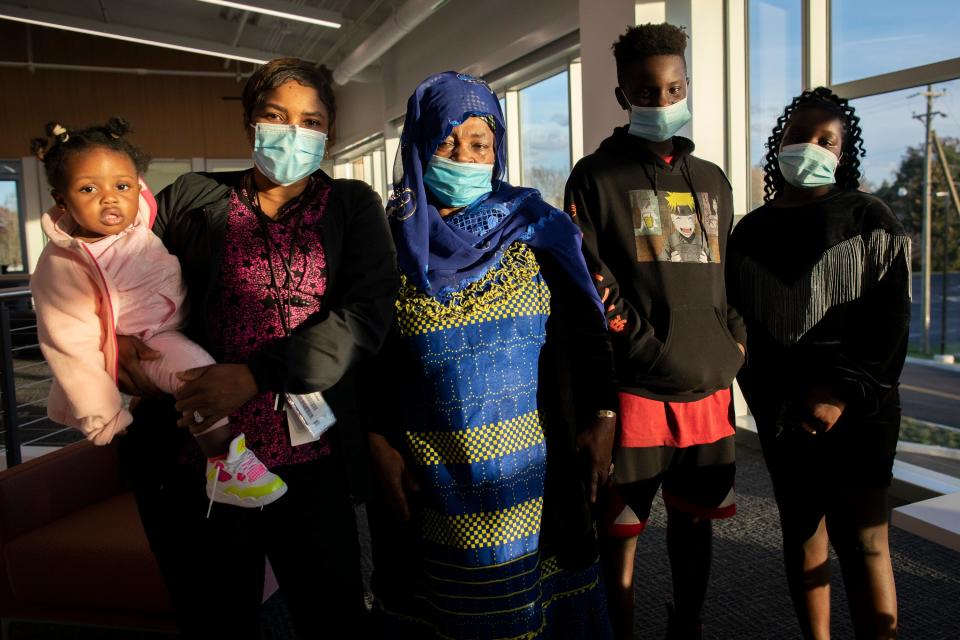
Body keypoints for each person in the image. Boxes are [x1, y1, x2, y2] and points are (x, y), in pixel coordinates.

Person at [115, 58, 398, 638]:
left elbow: (365, 317)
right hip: (202, 455)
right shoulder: (191, 199)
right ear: (250, 122)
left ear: (329, 133)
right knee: (216, 616)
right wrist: (114, 342)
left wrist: (254, 375)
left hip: (311, 457)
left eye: (310, 120)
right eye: (276, 116)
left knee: (335, 614)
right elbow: (123, 276)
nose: (292, 133)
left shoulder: (352, 206)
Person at [364, 71, 617, 639]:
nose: (463, 156)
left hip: (536, 474)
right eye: (446, 142)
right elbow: (367, 360)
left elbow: (587, 332)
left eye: (479, 143)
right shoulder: (389, 242)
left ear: (497, 149)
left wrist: (603, 416)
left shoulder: (539, 229)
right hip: (432, 479)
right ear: (418, 146)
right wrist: (376, 441)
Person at [564, 23, 746, 640]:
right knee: (619, 539)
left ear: (687, 86)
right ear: (623, 96)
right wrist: (648, 348)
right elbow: (592, 283)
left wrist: (735, 342)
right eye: (647, 91)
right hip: (637, 393)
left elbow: (729, 276)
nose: (663, 102)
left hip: (707, 392)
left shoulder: (715, 179)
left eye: (674, 88)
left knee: (695, 529)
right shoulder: (594, 178)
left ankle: (686, 627)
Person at [30, 118, 286, 511]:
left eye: (122, 186)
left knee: (201, 374)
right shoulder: (65, 262)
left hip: (170, 326)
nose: (110, 199)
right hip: (146, 344)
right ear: (61, 200)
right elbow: (68, 343)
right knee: (198, 377)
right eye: (88, 189)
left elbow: (139, 195)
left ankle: (225, 461)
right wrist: (102, 413)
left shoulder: (139, 220)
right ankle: (224, 464)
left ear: (138, 187)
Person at [727, 87, 909, 640]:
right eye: (798, 135)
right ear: (777, 144)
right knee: (802, 533)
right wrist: (773, 402)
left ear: (843, 152)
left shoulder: (868, 217)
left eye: (825, 139)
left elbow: (889, 326)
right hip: (783, 412)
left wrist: (838, 394)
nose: (809, 145)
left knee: (865, 539)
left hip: (861, 407)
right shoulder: (749, 231)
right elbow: (740, 328)